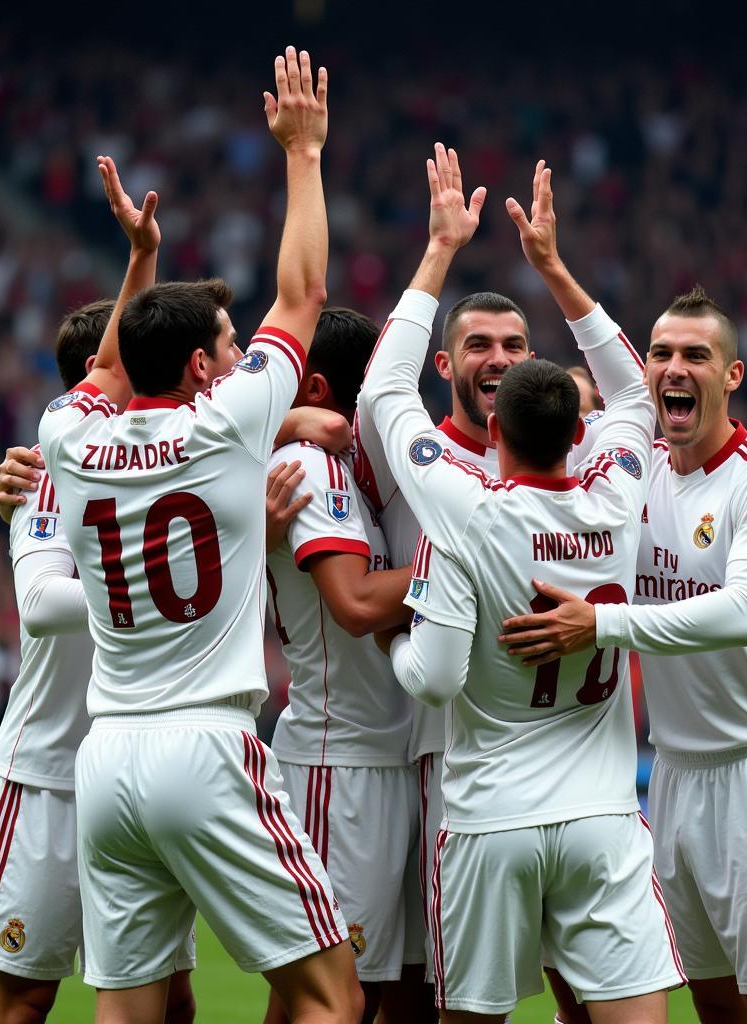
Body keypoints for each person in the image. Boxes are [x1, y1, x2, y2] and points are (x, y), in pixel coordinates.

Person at [36, 47, 361, 1024]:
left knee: (128, 1008)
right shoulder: (225, 424)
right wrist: (304, 152)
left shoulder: (67, 435)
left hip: (109, 759)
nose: (238, 356)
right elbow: (301, 291)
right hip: (205, 745)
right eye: (223, 346)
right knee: (328, 991)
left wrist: (139, 258)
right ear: (194, 364)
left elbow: (104, 371)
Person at [361, 143, 685, 1024]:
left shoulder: (463, 506)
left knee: (470, 1017)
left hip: (489, 819)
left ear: (494, 424)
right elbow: (633, 392)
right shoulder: (620, 489)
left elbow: (387, 386)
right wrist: (555, 268)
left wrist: (437, 252)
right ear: (578, 425)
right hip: (604, 815)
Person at [500, 285, 747, 1023]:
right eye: (660, 354)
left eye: (696, 354)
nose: (673, 368)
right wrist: (556, 271)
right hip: (676, 779)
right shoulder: (631, 471)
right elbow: (521, 418)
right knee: (713, 1009)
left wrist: (605, 626)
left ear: (733, 374)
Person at [0, 298, 195, 1024]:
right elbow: (40, 605)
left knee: (170, 1000)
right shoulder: (43, 476)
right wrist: (158, 573)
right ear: (104, 373)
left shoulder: (183, 468)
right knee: (25, 1000)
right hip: (48, 779)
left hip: (143, 774)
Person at [264, 307, 432, 1024]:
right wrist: (467, 566)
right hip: (339, 763)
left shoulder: (358, 467)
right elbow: (357, 606)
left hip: (392, 756)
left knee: (407, 993)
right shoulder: (307, 464)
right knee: (331, 1000)